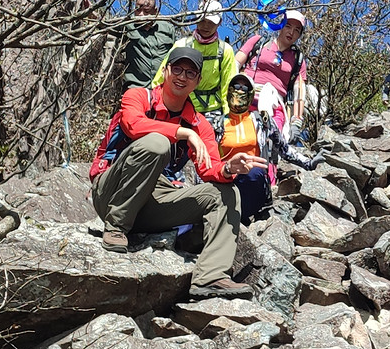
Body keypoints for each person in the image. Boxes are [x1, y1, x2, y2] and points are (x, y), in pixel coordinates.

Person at [90, 42, 263, 295]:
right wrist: (182, 133)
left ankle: (210, 277)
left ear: (198, 81)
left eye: (190, 73)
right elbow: (133, 125)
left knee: (226, 193)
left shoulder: (199, 123)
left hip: (152, 202)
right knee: (157, 144)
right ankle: (116, 227)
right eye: (178, 69)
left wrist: (228, 170)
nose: (183, 77)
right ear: (166, 71)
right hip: (113, 191)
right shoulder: (138, 96)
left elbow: (210, 168)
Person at [220, 70, 321, 222]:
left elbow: (283, 148)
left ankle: (236, 218)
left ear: (251, 95)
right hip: (224, 181)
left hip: (253, 181)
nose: (239, 91)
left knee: (254, 173)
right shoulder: (217, 123)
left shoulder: (261, 121)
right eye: (236, 86)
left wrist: (309, 163)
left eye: (245, 89)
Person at [154, 0, 236, 127]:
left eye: (211, 22)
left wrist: (229, 118)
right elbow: (162, 77)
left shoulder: (225, 51)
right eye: (202, 20)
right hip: (181, 105)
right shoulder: (181, 45)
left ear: (219, 23)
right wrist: (154, 103)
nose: (206, 26)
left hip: (213, 110)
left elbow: (228, 87)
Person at [236, 8, 308, 133]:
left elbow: (299, 93)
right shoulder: (258, 42)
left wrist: (296, 120)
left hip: (274, 103)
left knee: (271, 141)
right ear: (280, 26)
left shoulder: (298, 60)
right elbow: (233, 65)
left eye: (297, 30)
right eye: (288, 26)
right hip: (245, 94)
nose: (291, 32)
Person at [119, 0, 177, 91]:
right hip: (135, 87)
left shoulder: (167, 28)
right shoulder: (127, 25)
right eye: (137, 10)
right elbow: (104, 24)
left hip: (163, 88)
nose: (141, 15)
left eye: (146, 12)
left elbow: (176, 55)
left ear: (155, 11)